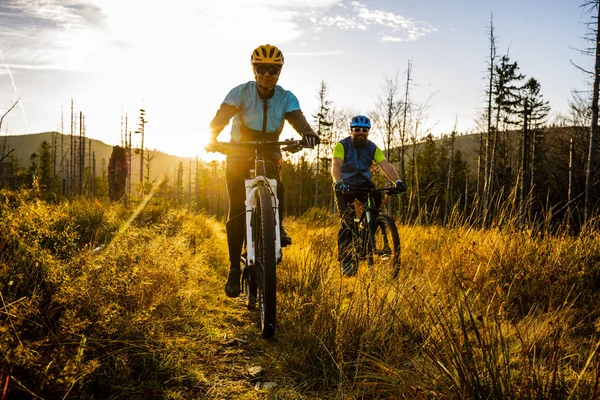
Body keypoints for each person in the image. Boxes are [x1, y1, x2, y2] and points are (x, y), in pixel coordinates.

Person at [206, 44, 320, 298]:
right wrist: (212, 136)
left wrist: (308, 134)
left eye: (273, 69)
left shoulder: (285, 97)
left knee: (277, 185)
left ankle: (276, 227)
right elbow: (222, 116)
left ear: (279, 71)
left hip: (270, 147)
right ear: (254, 69)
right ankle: (235, 268)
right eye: (261, 68)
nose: (267, 74)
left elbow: (298, 119)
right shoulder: (241, 92)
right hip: (239, 147)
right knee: (236, 206)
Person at [331, 115, 407, 276]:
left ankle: (374, 238)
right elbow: (335, 165)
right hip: (345, 185)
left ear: (368, 132)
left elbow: (385, 165)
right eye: (357, 130)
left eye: (364, 130)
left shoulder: (372, 148)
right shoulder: (342, 146)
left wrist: (397, 181)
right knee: (348, 221)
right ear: (351, 130)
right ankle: (346, 259)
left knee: (376, 208)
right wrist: (338, 181)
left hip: (365, 185)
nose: (361, 133)